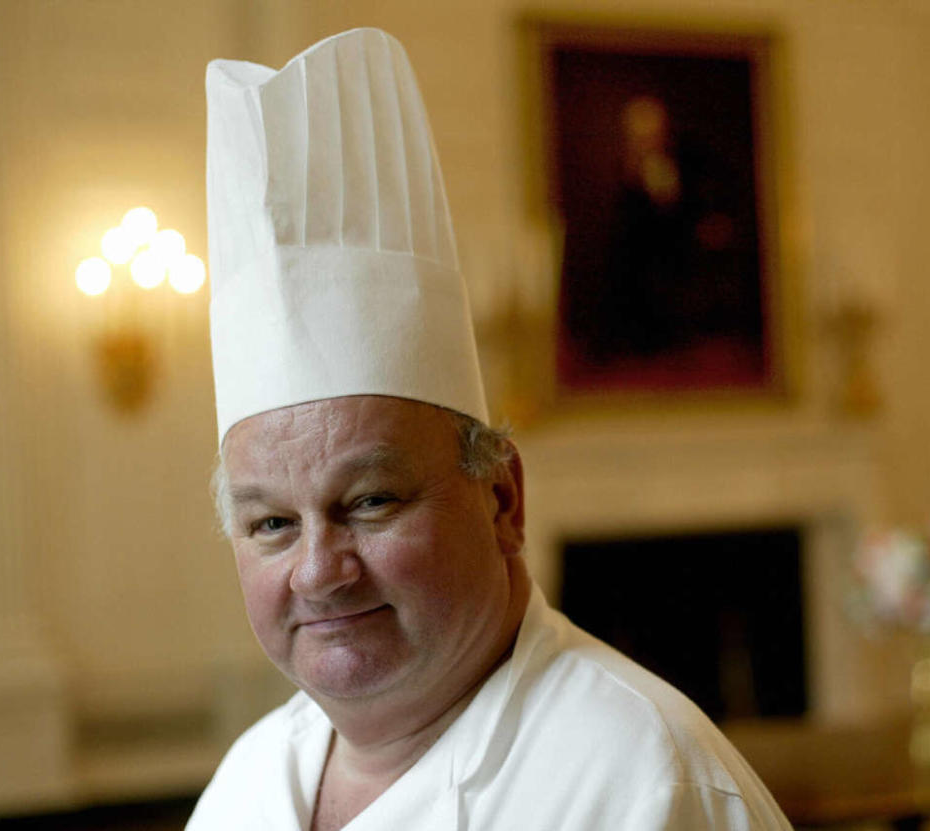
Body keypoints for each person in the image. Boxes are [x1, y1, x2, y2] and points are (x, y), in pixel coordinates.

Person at [189, 27, 792, 830]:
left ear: (502, 495)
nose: (319, 571)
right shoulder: (249, 783)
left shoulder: (647, 782)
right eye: (271, 523)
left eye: (369, 501)